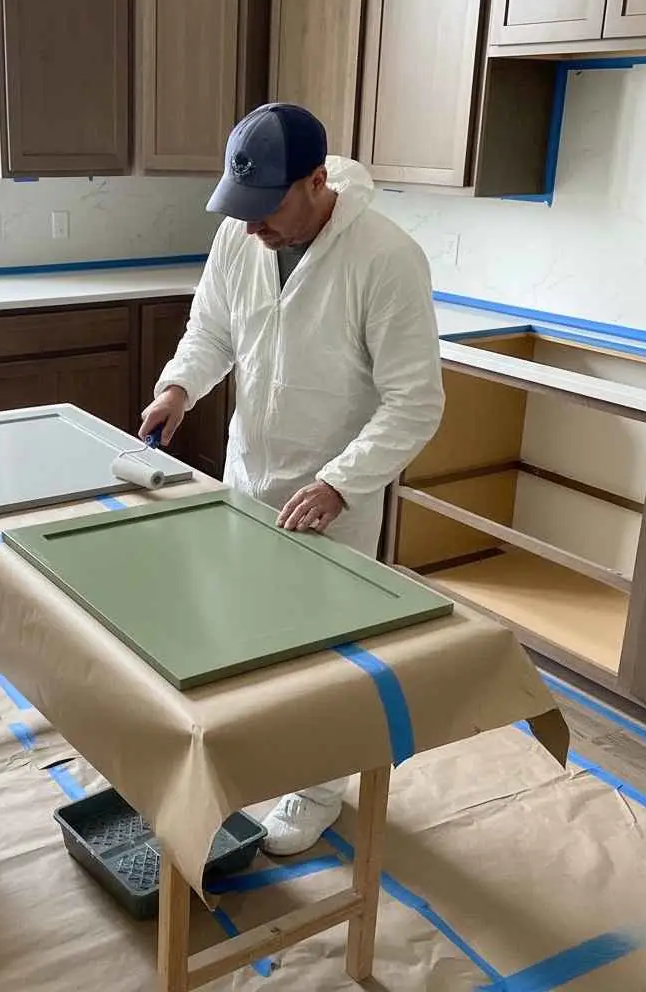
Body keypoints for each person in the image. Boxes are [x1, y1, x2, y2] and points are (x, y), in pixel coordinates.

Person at [139, 103, 445, 856]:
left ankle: (318, 791)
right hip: (248, 478)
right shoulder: (241, 235)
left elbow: (416, 401)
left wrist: (341, 482)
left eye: (266, 209)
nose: (250, 228)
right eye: (239, 211)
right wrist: (179, 388)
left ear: (317, 181)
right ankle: (264, 760)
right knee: (250, 635)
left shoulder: (386, 258)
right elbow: (212, 327)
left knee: (328, 659)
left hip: (331, 501)